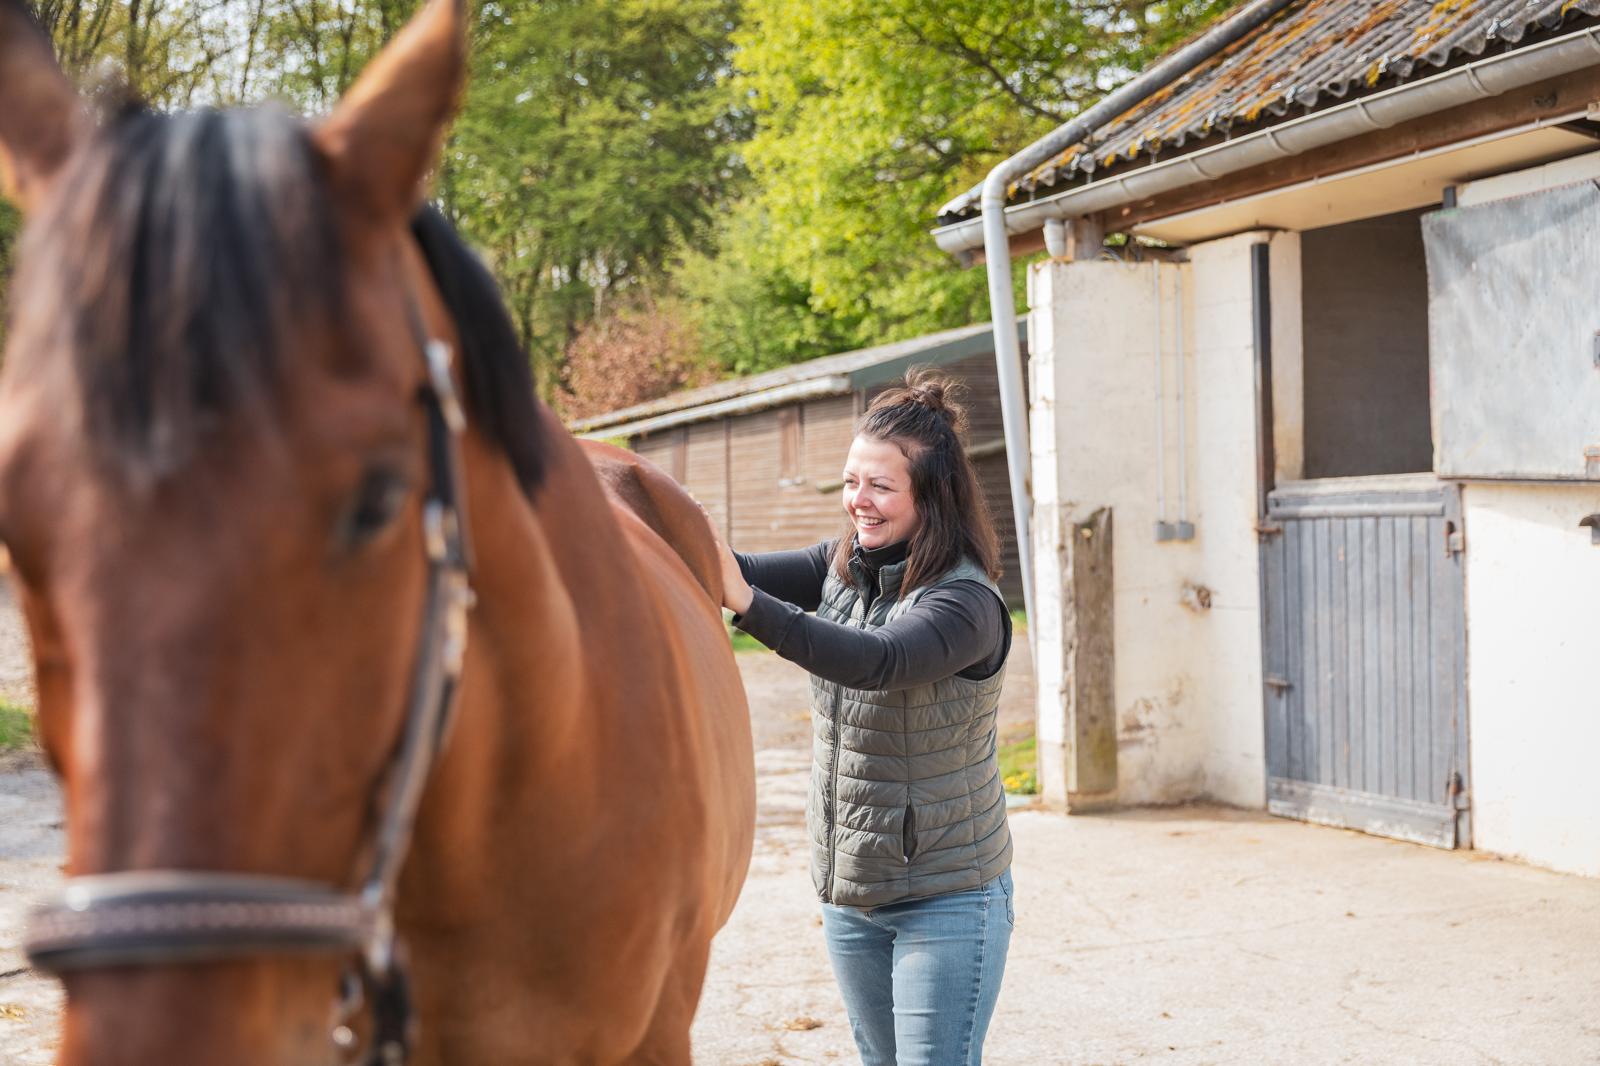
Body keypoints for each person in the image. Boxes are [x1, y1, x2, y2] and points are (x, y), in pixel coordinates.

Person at [707, 369, 1015, 1066]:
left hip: (947, 897)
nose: (858, 502)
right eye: (851, 482)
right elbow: (733, 569)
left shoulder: (965, 602)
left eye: (880, 486)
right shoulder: (843, 564)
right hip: (852, 892)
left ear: (932, 495)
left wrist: (749, 607)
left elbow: (876, 660)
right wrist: (664, 525)